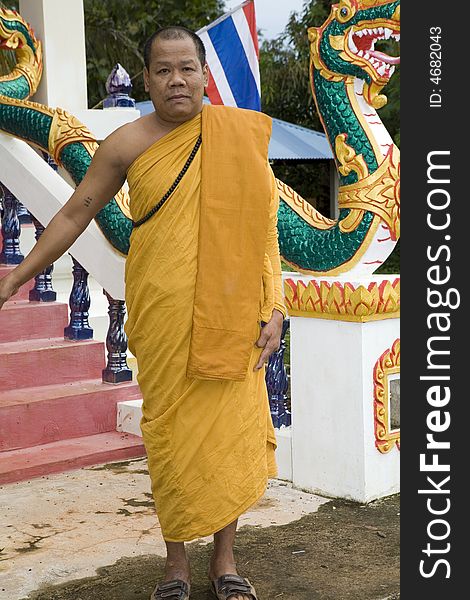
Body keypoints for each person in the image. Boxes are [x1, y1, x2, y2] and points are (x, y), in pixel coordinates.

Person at [0, 26, 286, 600]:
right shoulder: (126, 144)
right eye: (163, 70)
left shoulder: (237, 136)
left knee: (227, 433)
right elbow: (74, 214)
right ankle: (176, 566)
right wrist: (16, 276)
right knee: (171, 435)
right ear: (147, 78)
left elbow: (262, 228)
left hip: (232, 312)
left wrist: (275, 306)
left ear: (205, 74)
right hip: (163, 311)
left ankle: (223, 563)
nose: (176, 79)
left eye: (187, 68)